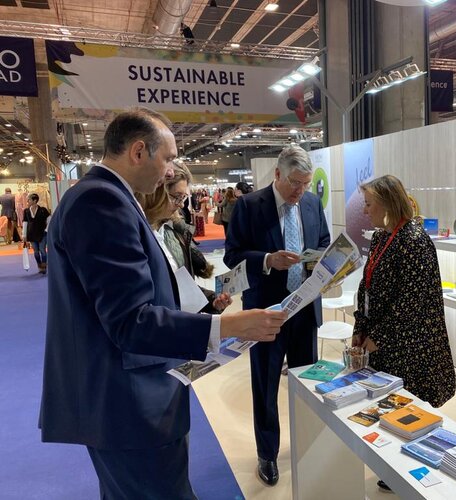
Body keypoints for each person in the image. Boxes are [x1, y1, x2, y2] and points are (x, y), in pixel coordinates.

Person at [40, 107, 287, 500]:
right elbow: (130, 321)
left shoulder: (107, 197)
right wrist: (229, 326)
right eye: (168, 158)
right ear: (139, 151)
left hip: (131, 398)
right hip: (128, 403)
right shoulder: (102, 201)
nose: (171, 170)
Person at [224, 145, 330, 486]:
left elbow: (324, 241)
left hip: (305, 310)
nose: (300, 190)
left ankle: (306, 443)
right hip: (266, 312)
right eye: (294, 183)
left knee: (306, 383)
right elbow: (232, 256)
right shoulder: (249, 205)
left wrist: (323, 264)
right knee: (265, 385)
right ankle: (267, 454)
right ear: (278, 174)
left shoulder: (312, 203)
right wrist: (268, 260)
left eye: (305, 183)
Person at [351, 175, 456, 490]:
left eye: (369, 204)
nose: (365, 211)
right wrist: (360, 327)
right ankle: (394, 468)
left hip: (410, 345)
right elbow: (367, 286)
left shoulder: (414, 240)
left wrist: (378, 337)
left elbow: (410, 302)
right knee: (389, 407)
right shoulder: (382, 237)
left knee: (409, 409)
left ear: (387, 203)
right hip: (385, 340)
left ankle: (411, 475)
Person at [136, 161, 231, 313]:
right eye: (177, 197)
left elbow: (179, 285)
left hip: (176, 321)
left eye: (183, 198)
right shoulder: (135, 235)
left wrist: (211, 300)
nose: (181, 205)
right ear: (156, 192)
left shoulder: (171, 232)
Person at [22, 193, 50, 274]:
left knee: (42, 250)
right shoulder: (26, 211)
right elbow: (25, 223)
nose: (28, 201)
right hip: (31, 234)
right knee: (36, 252)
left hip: (42, 234)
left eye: (29, 199)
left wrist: (46, 230)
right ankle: (39, 265)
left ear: (35, 201)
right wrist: (24, 235)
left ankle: (44, 266)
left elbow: (49, 219)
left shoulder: (43, 210)